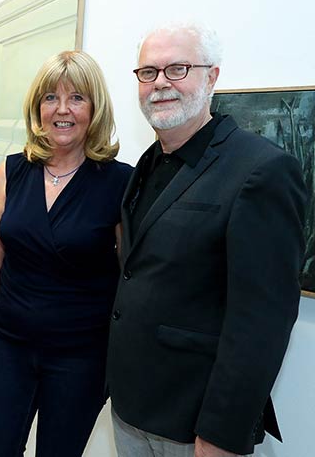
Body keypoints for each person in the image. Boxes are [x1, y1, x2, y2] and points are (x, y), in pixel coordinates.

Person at [107, 23, 306, 457]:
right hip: (130, 408)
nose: (160, 83)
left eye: (177, 69)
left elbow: (262, 321)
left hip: (194, 426)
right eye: (148, 72)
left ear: (212, 77)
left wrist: (220, 436)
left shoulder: (262, 170)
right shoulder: (147, 163)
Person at [0, 51, 133, 456]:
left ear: (95, 109)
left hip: (81, 359)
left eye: (77, 98)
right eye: (51, 98)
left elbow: (130, 280)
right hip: (9, 347)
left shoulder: (120, 182)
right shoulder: (12, 171)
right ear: (38, 108)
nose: (62, 110)